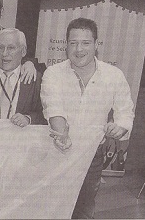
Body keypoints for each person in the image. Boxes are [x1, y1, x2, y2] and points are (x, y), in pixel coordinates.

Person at [41, 18, 134, 218]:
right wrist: (61, 136)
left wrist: (120, 127)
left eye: (85, 43)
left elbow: (125, 111)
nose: (79, 49)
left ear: (96, 45)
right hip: (56, 152)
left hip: (92, 156)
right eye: (73, 43)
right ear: (66, 45)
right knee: (50, 207)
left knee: (83, 208)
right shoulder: (53, 73)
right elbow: (54, 109)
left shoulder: (114, 75)